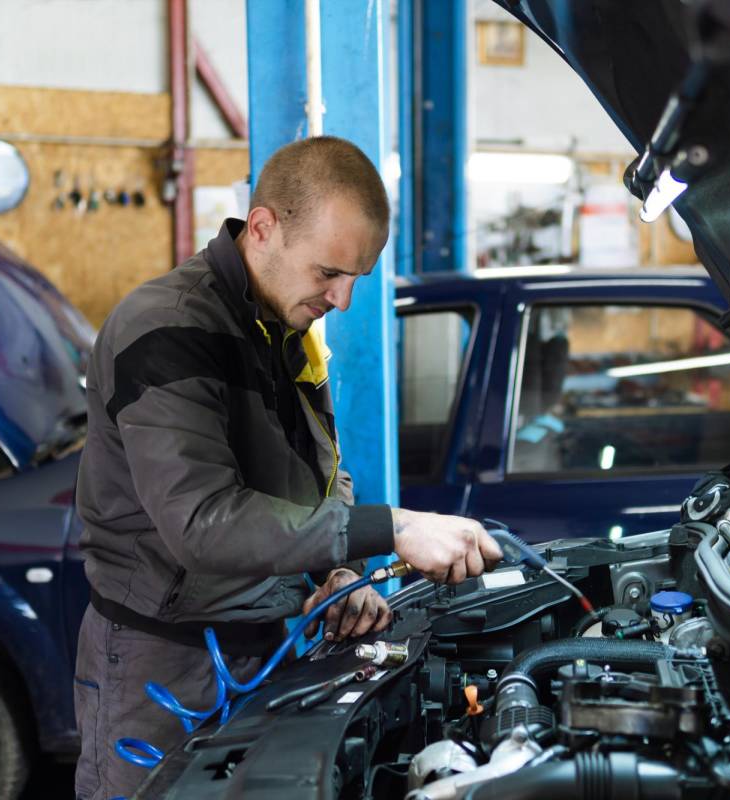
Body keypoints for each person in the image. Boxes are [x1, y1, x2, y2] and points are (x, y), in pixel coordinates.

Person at [72, 135, 502, 800]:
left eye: (356, 277)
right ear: (264, 227)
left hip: (265, 641)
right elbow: (202, 524)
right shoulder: (167, 330)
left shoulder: (283, 328)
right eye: (328, 272)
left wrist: (340, 574)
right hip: (163, 664)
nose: (343, 299)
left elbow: (325, 475)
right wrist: (390, 529)